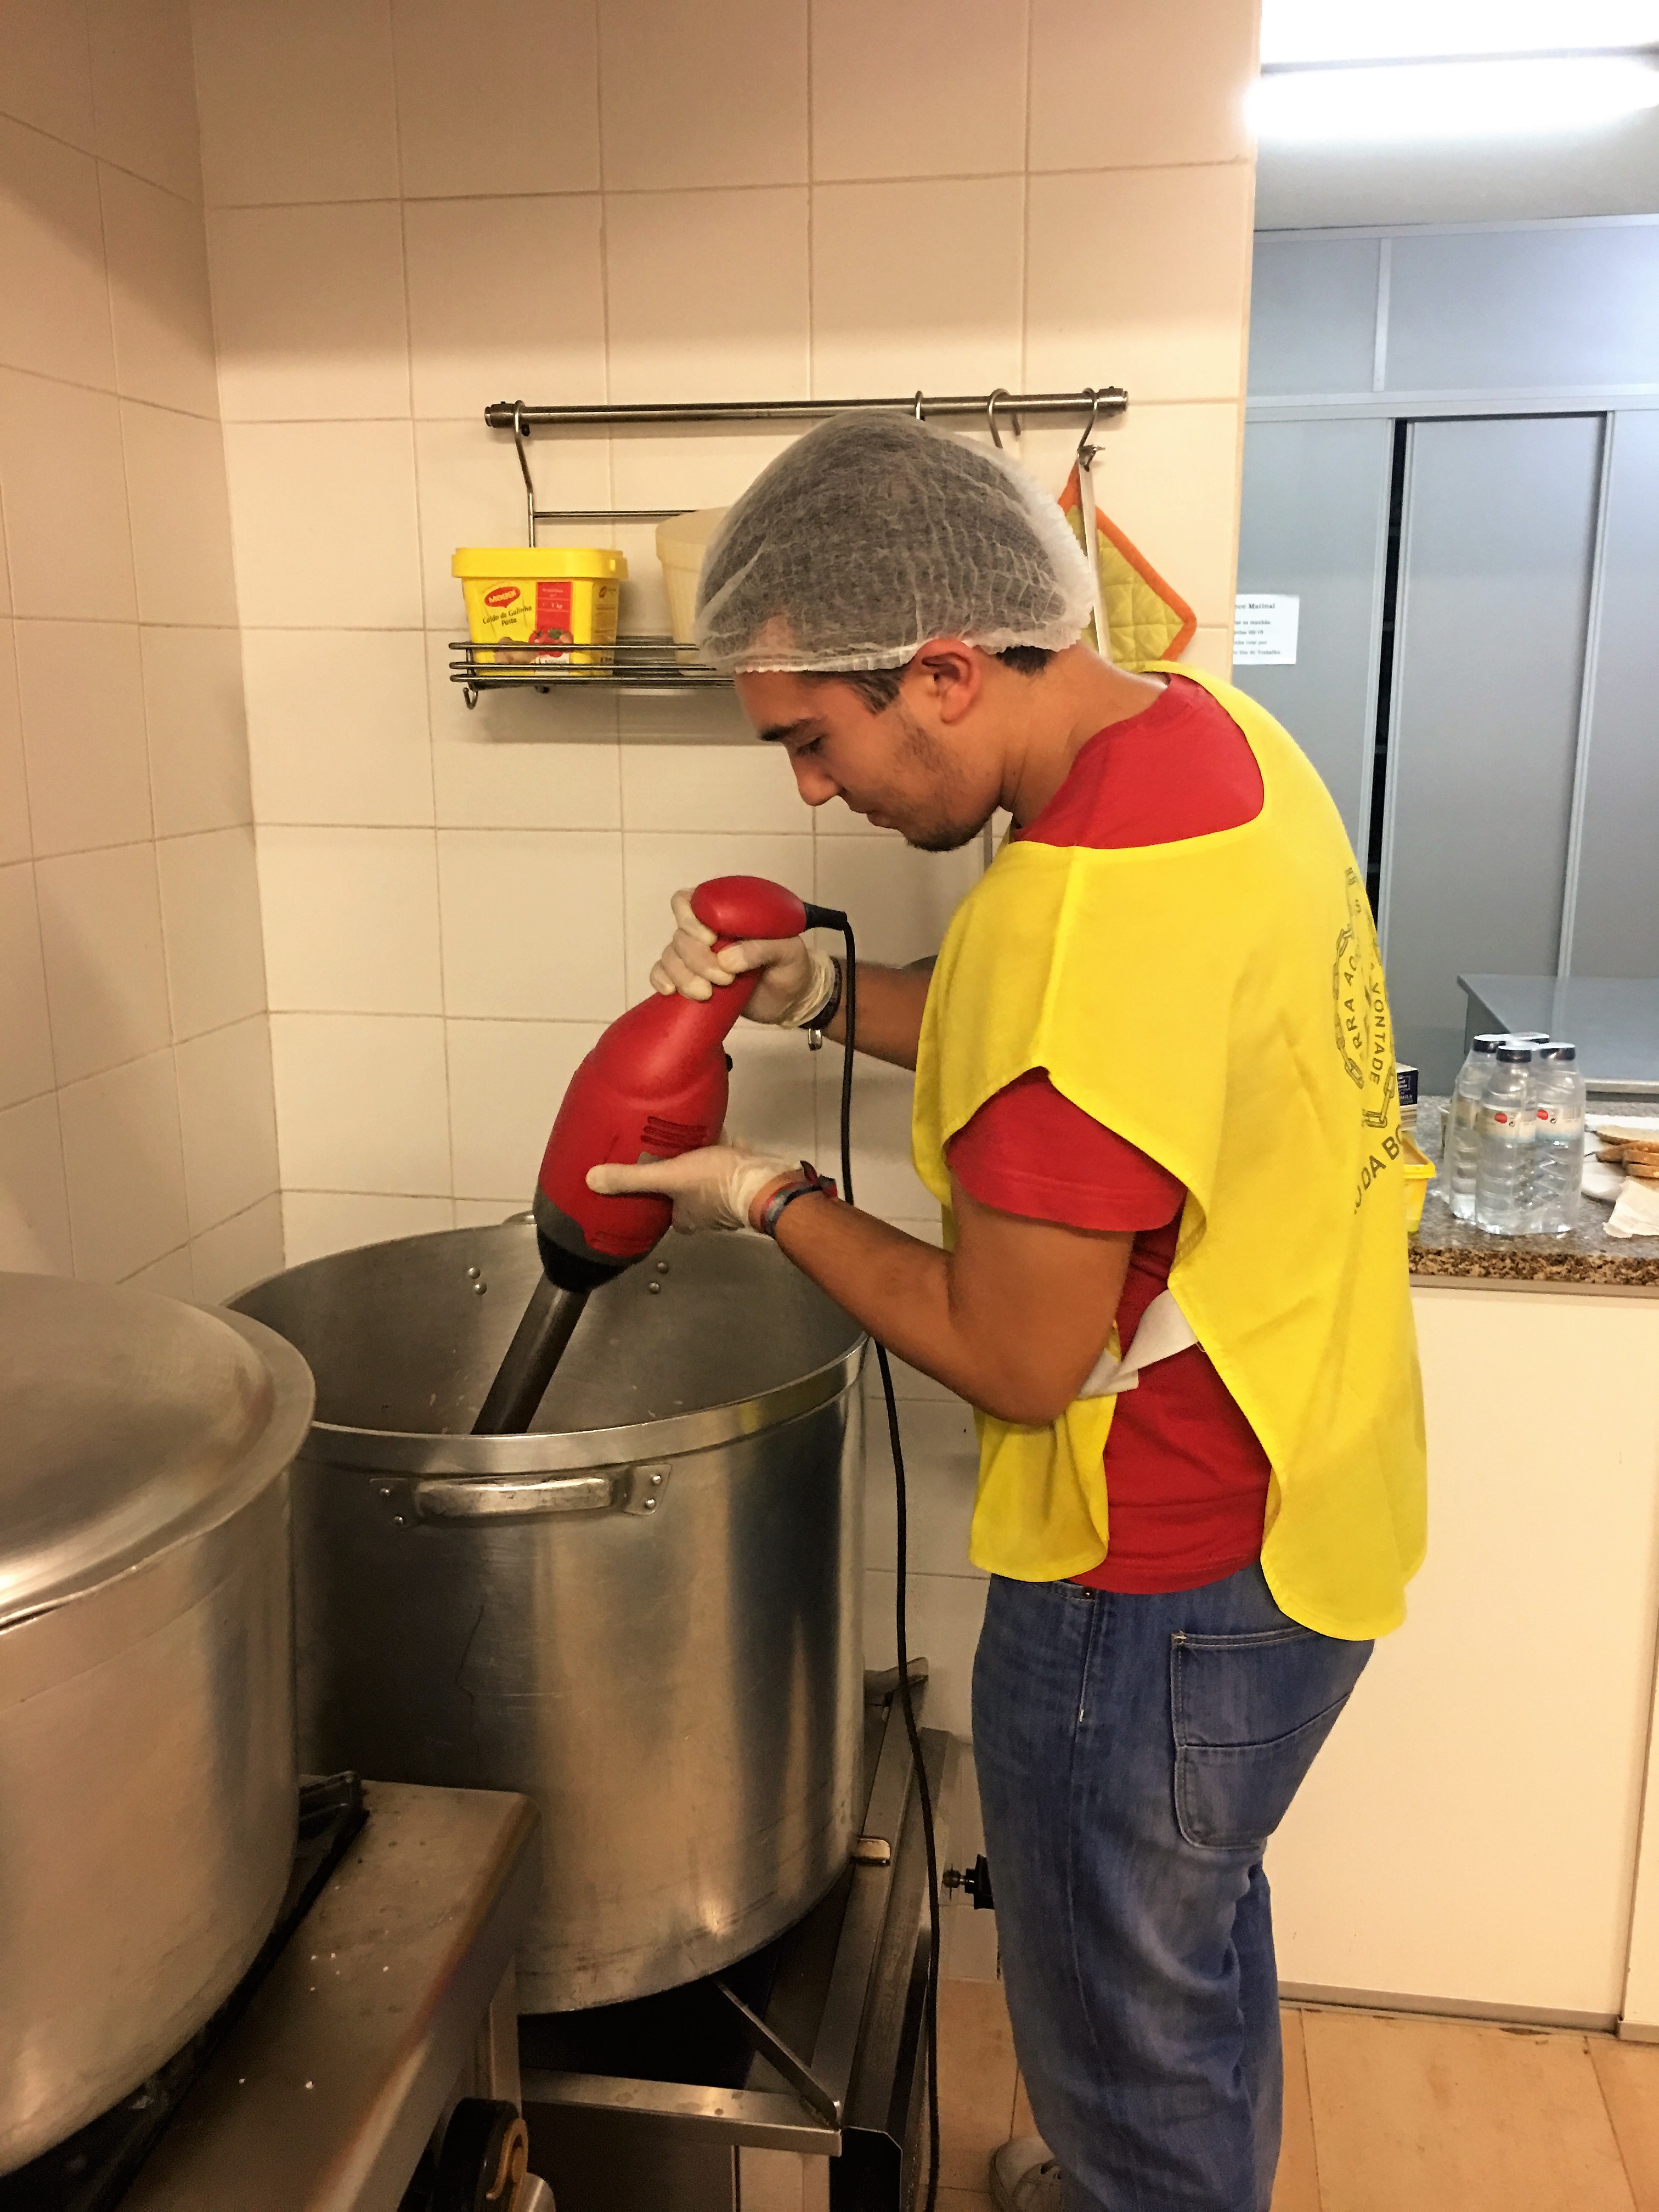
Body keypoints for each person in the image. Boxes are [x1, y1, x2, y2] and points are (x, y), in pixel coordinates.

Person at [591, 414, 1426, 2212]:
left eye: (811, 739)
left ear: (947, 672)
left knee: (1123, 2018)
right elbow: (1089, 1059)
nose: (812, 793)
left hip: (1158, 1584)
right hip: (1312, 1486)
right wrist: (827, 992)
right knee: (1186, 1948)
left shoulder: (1073, 922)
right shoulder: (1212, 743)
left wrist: (768, 1197)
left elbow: (1019, 1359)